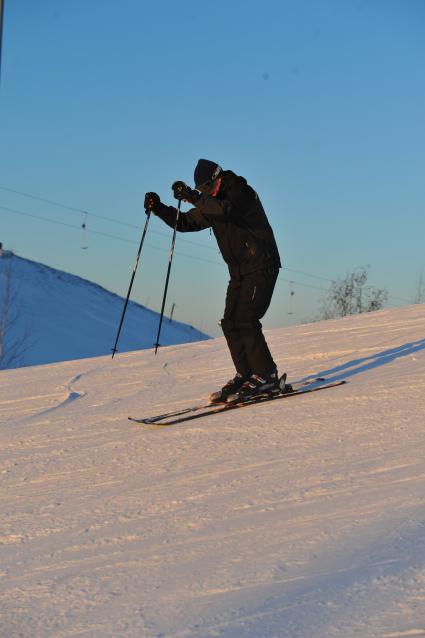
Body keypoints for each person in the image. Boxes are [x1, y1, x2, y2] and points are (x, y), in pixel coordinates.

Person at [144, 159, 281, 402]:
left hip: (262, 265)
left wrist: (193, 196)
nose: (208, 192)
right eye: (204, 190)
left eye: (209, 187)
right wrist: (159, 208)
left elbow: (225, 210)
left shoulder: (240, 192)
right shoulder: (210, 201)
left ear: (218, 178)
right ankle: (246, 373)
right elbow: (186, 222)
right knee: (230, 322)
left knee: (246, 319)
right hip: (239, 271)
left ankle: (266, 375)